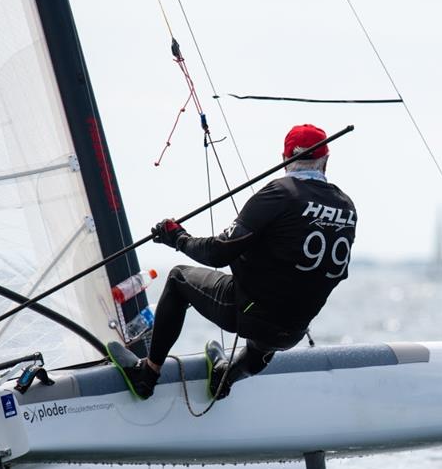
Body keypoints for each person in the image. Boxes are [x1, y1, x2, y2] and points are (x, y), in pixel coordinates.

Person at [123, 124, 357, 400]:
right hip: (294, 331)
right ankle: (225, 377)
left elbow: (217, 253)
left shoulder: (281, 193)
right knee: (269, 331)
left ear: (285, 159)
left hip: (247, 313)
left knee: (177, 278)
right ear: (326, 161)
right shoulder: (347, 206)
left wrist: (178, 238)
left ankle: (147, 375)